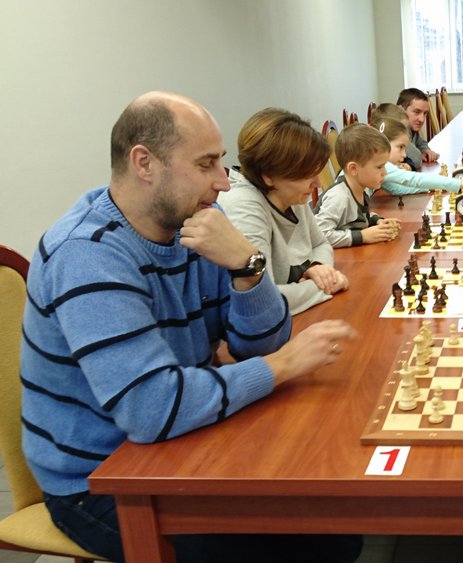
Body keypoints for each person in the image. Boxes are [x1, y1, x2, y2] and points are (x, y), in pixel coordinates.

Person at [20, 91, 362, 563]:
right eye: (206, 165)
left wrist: (248, 266)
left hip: (182, 437)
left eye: (221, 162)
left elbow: (259, 344)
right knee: (308, 548)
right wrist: (281, 367)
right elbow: (150, 409)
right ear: (144, 163)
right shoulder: (87, 255)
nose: (224, 182)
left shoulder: (199, 222)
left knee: (335, 529)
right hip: (100, 479)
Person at [218, 108, 349, 316]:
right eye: (308, 174)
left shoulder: (289, 192)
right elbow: (262, 299)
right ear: (268, 176)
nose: (317, 183)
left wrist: (318, 268)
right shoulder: (243, 206)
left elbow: (321, 244)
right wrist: (328, 285)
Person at [315, 123, 400, 247]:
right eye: (379, 167)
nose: (385, 172)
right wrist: (362, 236)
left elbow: (356, 217)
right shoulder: (339, 197)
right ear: (354, 169)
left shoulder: (360, 189)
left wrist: (377, 221)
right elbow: (319, 235)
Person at [373, 116, 463, 195]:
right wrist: (460, 184)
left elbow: (396, 189)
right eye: (400, 147)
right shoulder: (385, 167)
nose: (405, 154)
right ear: (382, 144)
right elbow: (414, 179)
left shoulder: (383, 167)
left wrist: (432, 187)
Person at [397, 88, 440, 170]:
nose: (422, 119)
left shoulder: (411, 129)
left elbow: (421, 142)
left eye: (425, 113)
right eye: (417, 112)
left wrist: (425, 150)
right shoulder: (397, 131)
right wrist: (420, 154)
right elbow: (416, 160)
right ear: (400, 110)